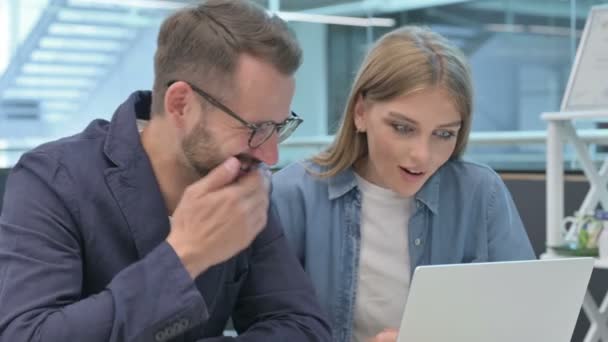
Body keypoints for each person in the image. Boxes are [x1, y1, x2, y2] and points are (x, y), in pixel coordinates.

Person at [0, 1, 331, 341]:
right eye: (256, 128)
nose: (271, 153)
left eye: (279, 127)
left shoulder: (244, 182)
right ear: (180, 105)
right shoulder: (52, 180)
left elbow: (303, 327)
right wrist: (185, 255)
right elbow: (28, 336)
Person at [271, 26, 535, 342]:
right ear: (360, 113)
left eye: (444, 134)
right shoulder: (292, 194)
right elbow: (264, 327)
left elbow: (526, 324)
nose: (422, 156)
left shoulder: (482, 194)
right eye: (402, 128)